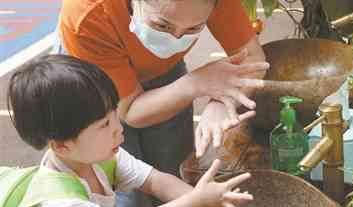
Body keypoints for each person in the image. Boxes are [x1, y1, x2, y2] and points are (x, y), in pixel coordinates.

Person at [6, 54, 254, 207]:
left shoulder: (96, 156)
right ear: (61, 145)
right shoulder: (57, 206)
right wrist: (195, 201)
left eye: (114, 114)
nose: (118, 129)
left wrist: (198, 204)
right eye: (104, 124)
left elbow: (156, 181)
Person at [55, 0, 268, 177]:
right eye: (162, 26)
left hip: (164, 72)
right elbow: (130, 111)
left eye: (193, 28)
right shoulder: (88, 16)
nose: (175, 39)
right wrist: (197, 83)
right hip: (95, 74)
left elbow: (254, 60)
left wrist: (221, 102)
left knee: (174, 165)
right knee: (122, 179)